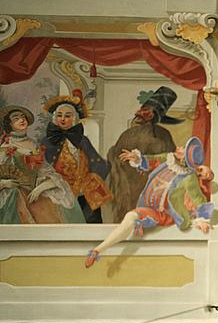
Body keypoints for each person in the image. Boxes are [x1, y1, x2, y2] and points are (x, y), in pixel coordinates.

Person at [84, 137, 214, 268]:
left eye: (183, 149)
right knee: (131, 217)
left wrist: (201, 219)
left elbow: (198, 199)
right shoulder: (169, 159)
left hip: (163, 213)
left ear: (184, 158)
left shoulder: (189, 178)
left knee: (131, 216)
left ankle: (98, 250)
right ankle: (96, 251)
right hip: (148, 205)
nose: (179, 147)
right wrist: (137, 158)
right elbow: (152, 159)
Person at [107, 86, 183, 222]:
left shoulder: (158, 135)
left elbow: (169, 162)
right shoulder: (162, 134)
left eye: (145, 112)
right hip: (145, 187)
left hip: (141, 188)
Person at [0, 105, 84, 223]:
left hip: (35, 189)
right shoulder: (6, 147)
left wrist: (41, 187)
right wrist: (4, 183)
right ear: (9, 124)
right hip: (16, 192)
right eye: (16, 118)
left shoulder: (33, 144)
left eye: (23, 117)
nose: (22, 120)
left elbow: (45, 170)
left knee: (63, 200)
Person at [41, 92, 112, 223]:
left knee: (90, 223)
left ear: (74, 118)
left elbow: (99, 163)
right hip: (59, 193)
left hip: (83, 193)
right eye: (59, 116)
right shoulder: (48, 142)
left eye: (67, 116)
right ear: (55, 118)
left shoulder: (82, 140)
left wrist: (91, 179)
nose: (62, 119)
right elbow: (42, 167)